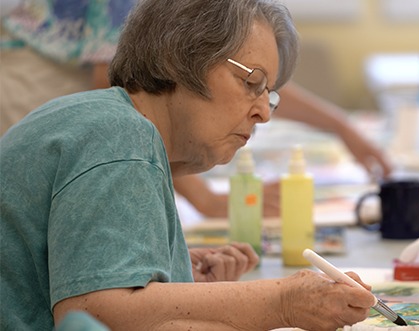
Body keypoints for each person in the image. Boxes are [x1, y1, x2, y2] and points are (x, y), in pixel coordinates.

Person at [0, 1, 375, 329]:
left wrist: (176, 282)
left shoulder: (116, 126)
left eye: (269, 95)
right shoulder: (121, 135)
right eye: (251, 82)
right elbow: (93, 317)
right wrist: (282, 303)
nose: (263, 113)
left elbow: (95, 293)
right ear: (179, 58)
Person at [1, 0, 391, 219]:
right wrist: (205, 198)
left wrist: (341, 126)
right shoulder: (117, 116)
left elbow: (246, 69)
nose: (263, 113)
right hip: (34, 86)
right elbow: (128, 90)